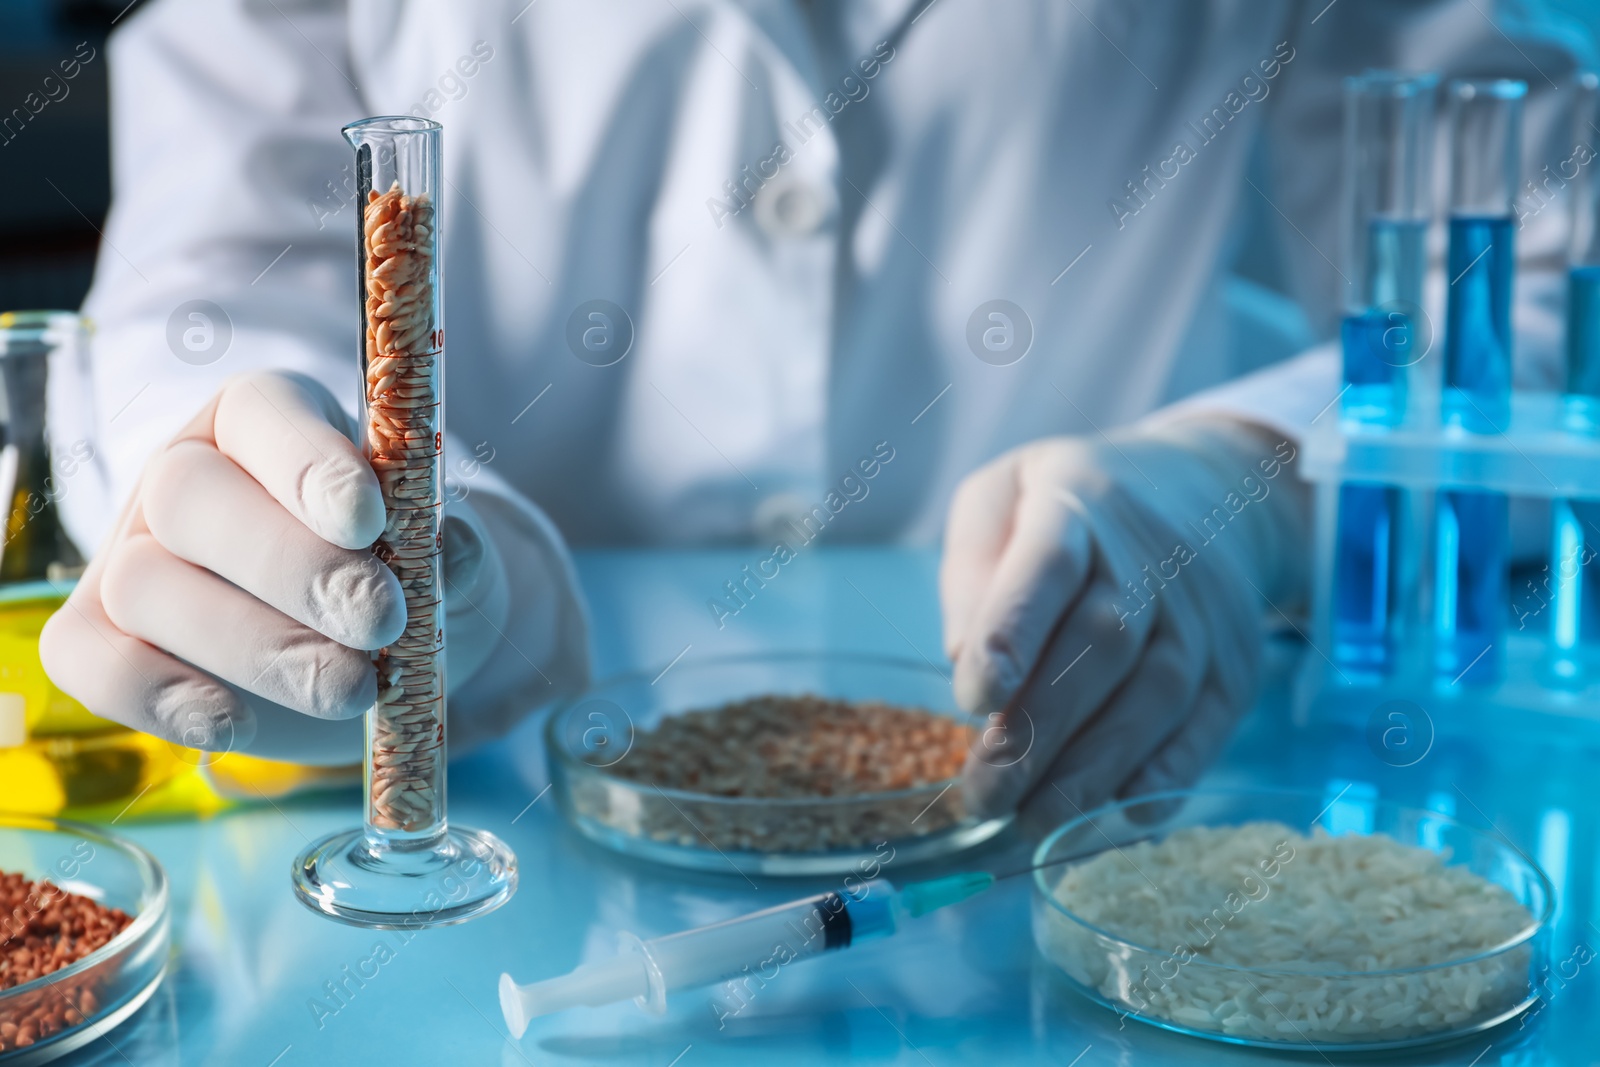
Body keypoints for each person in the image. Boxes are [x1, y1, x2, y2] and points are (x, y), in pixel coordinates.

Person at [37, 0, 1589, 825]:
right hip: (506, 776)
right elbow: (214, 276)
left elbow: (1524, 262)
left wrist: (1244, 487)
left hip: (1070, 783)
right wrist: (258, 491)